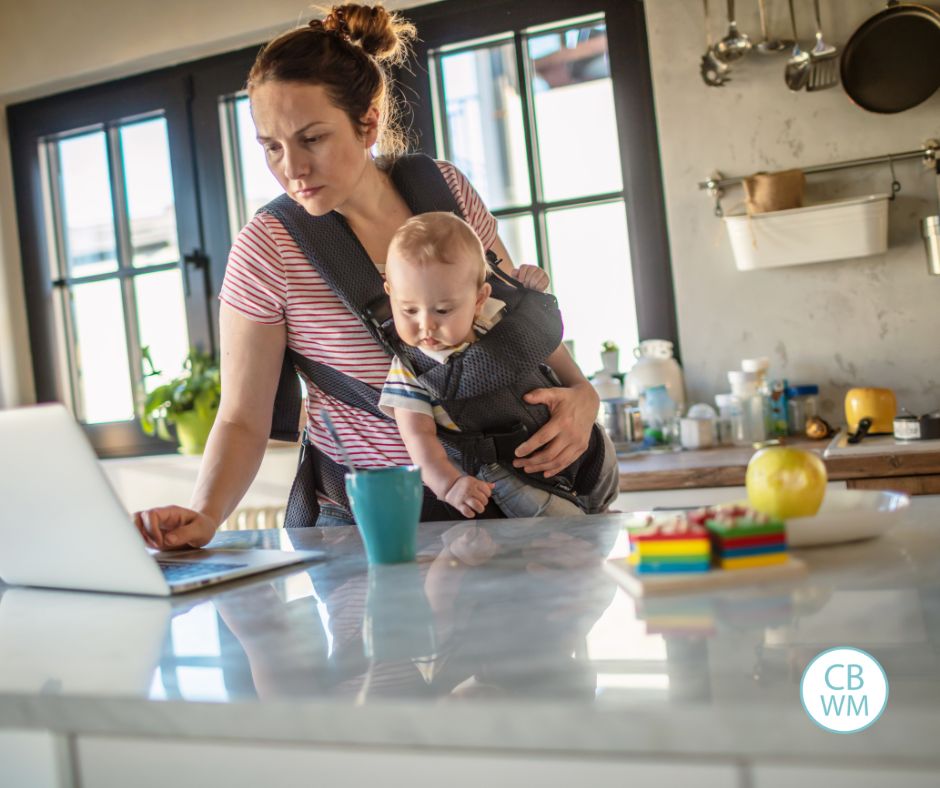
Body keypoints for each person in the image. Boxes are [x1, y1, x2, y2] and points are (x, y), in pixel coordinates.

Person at [134, 3, 604, 550]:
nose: (292, 168)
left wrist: (583, 393)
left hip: (525, 503)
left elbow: (510, 315)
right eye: (272, 146)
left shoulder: (444, 189)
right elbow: (242, 419)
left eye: (312, 138)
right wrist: (205, 512)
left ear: (369, 123)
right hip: (383, 531)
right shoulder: (268, 249)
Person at [379, 212, 619, 518]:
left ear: (479, 299)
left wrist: (531, 289)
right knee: (564, 532)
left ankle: (604, 511)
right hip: (509, 469)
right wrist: (449, 486)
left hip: (577, 439)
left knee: (604, 487)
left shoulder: (496, 318)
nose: (426, 326)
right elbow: (418, 439)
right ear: (391, 295)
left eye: (442, 310)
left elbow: (546, 342)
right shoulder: (412, 369)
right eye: (408, 310)